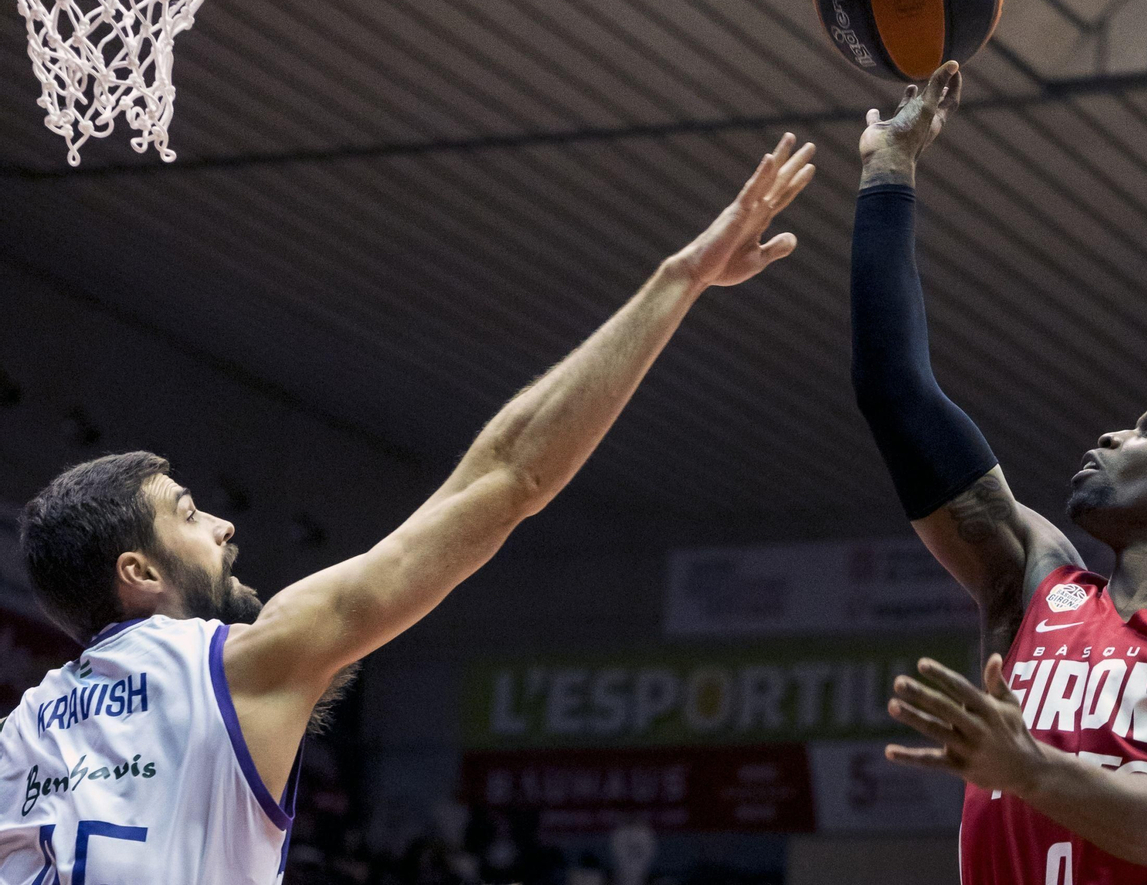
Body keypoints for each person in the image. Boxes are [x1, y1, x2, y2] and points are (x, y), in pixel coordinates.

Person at [0, 135, 817, 885]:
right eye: (186, 514)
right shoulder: (242, 666)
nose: (223, 526)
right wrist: (681, 278)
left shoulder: (18, 739)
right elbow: (508, 480)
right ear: (138, 571)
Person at [849, 62, 1147, 885]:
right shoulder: (1034, 582)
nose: (1115, 433)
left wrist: (1031, 768)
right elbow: (895, 393)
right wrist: (888, 169)